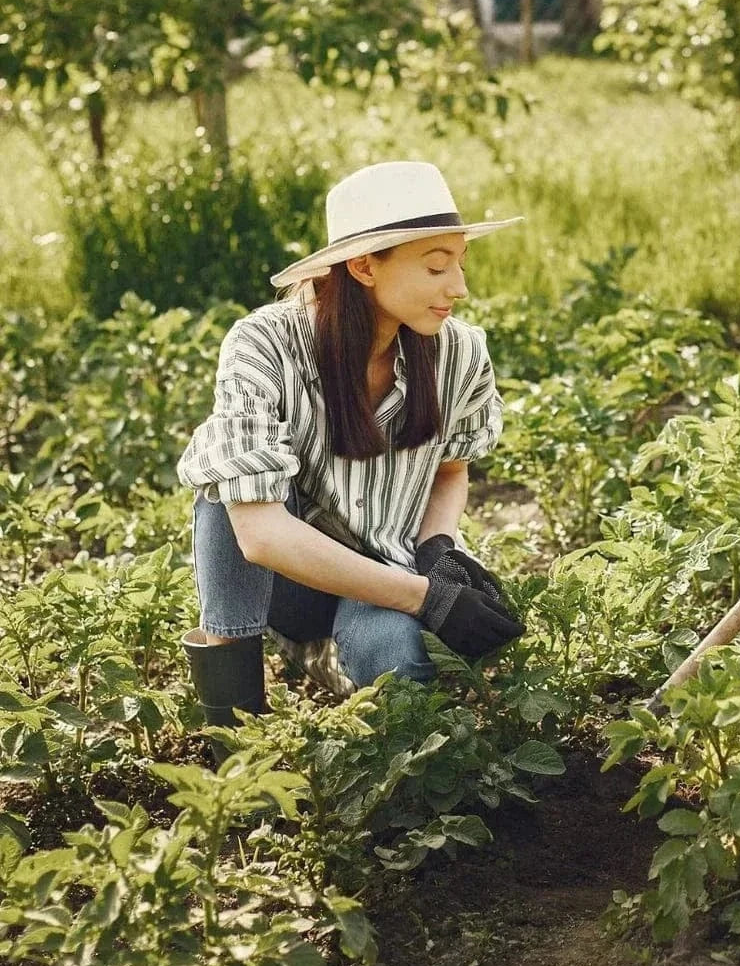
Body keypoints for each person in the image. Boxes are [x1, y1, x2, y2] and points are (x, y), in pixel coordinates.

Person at [176, 160, 526, 728]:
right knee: (226, 490)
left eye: (460, 263)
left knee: (400, 667)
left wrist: (437, 549)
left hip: (389, 570)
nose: (459, 287)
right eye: (436, 266)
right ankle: (231, 727)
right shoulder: (266, 344)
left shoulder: (460, 352)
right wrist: (426, 598)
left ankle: (337, 664)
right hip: (291, 584)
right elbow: (259, 535)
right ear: (364, 266)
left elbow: (449, 470)